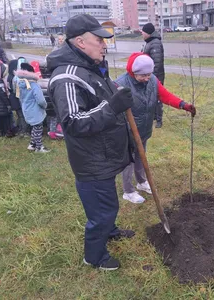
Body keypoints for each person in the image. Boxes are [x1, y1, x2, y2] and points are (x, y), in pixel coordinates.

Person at [47, 14, 135, 270]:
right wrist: (112, 106)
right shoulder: (68, 77)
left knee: (107, 204)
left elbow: (97, 100)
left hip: (103, 155)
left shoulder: (90, 68)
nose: (104, 45)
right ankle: (94, 257)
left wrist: (113, 95)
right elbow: (73, 122)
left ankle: (109, 230)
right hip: (91, 160)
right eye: (99, 40)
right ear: (80, 42)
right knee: (101, 211)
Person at [115, 53, 196, 204]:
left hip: (144, 128)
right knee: (128, 160)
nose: (147, 78)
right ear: (134, 72)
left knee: (141, 156)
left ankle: (141, 182)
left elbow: (165, 95)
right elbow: (111, 110)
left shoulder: (152, 80)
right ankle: (128, 191)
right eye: (143, 75)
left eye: (149, 74)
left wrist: (183, 105)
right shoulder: (120, 84)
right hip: (126, 131)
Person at [15, 63, 49, 153]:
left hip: (26, 109)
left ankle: (32, 144)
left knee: (35, 127)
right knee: (38, 128)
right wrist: (45, 106)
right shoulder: (34, 85)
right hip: (35, 110)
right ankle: (39, 147)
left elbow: (19, 97)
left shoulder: (20, 84)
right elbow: (40, 100)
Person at [141, 22, 165, 128]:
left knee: (158, 97)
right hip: (149, 75)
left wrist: (152, 78)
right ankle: (155, 116)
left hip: (155, 76)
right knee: (151, 96)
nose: (142, 34)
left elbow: (157, 63)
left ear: (148, 33)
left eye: (143, 32)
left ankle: (159, 120)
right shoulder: (149, 42)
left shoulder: (155, 43)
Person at [8, 57, 29, 136]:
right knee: (22, 116)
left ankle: (20, 128)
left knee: (19, 115)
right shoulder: (15, 78)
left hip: (14, 99)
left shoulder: (10, 76)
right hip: (17, 99)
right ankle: (24, 131)